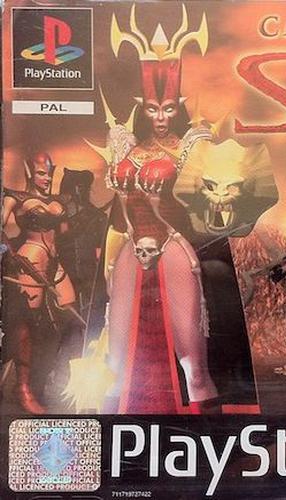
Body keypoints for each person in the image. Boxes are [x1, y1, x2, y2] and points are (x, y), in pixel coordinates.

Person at [101, 9, 218, 414]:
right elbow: (120, 214)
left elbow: (203, 208)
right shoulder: (125, 146)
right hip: (131, 245)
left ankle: (210, 435)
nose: (161, 117)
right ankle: (117, 435)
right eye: (153, 108)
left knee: (192, 362)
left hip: (171, 244)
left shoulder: (192, 145)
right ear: (142, 107)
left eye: (168, 108)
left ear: (179, 107)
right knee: (117, 361)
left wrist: (168, 184)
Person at [2, 153, 78, 414]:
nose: (46, 178)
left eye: (49, 172)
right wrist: (9, 252)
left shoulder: (57, 200)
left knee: (69, 313)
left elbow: (65, 233)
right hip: (31, 258)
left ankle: (54, 375)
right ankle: (23, 388)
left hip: (54, 261)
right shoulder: (16, 197)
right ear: (29, 172)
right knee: (27, 325)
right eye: (41, 173)